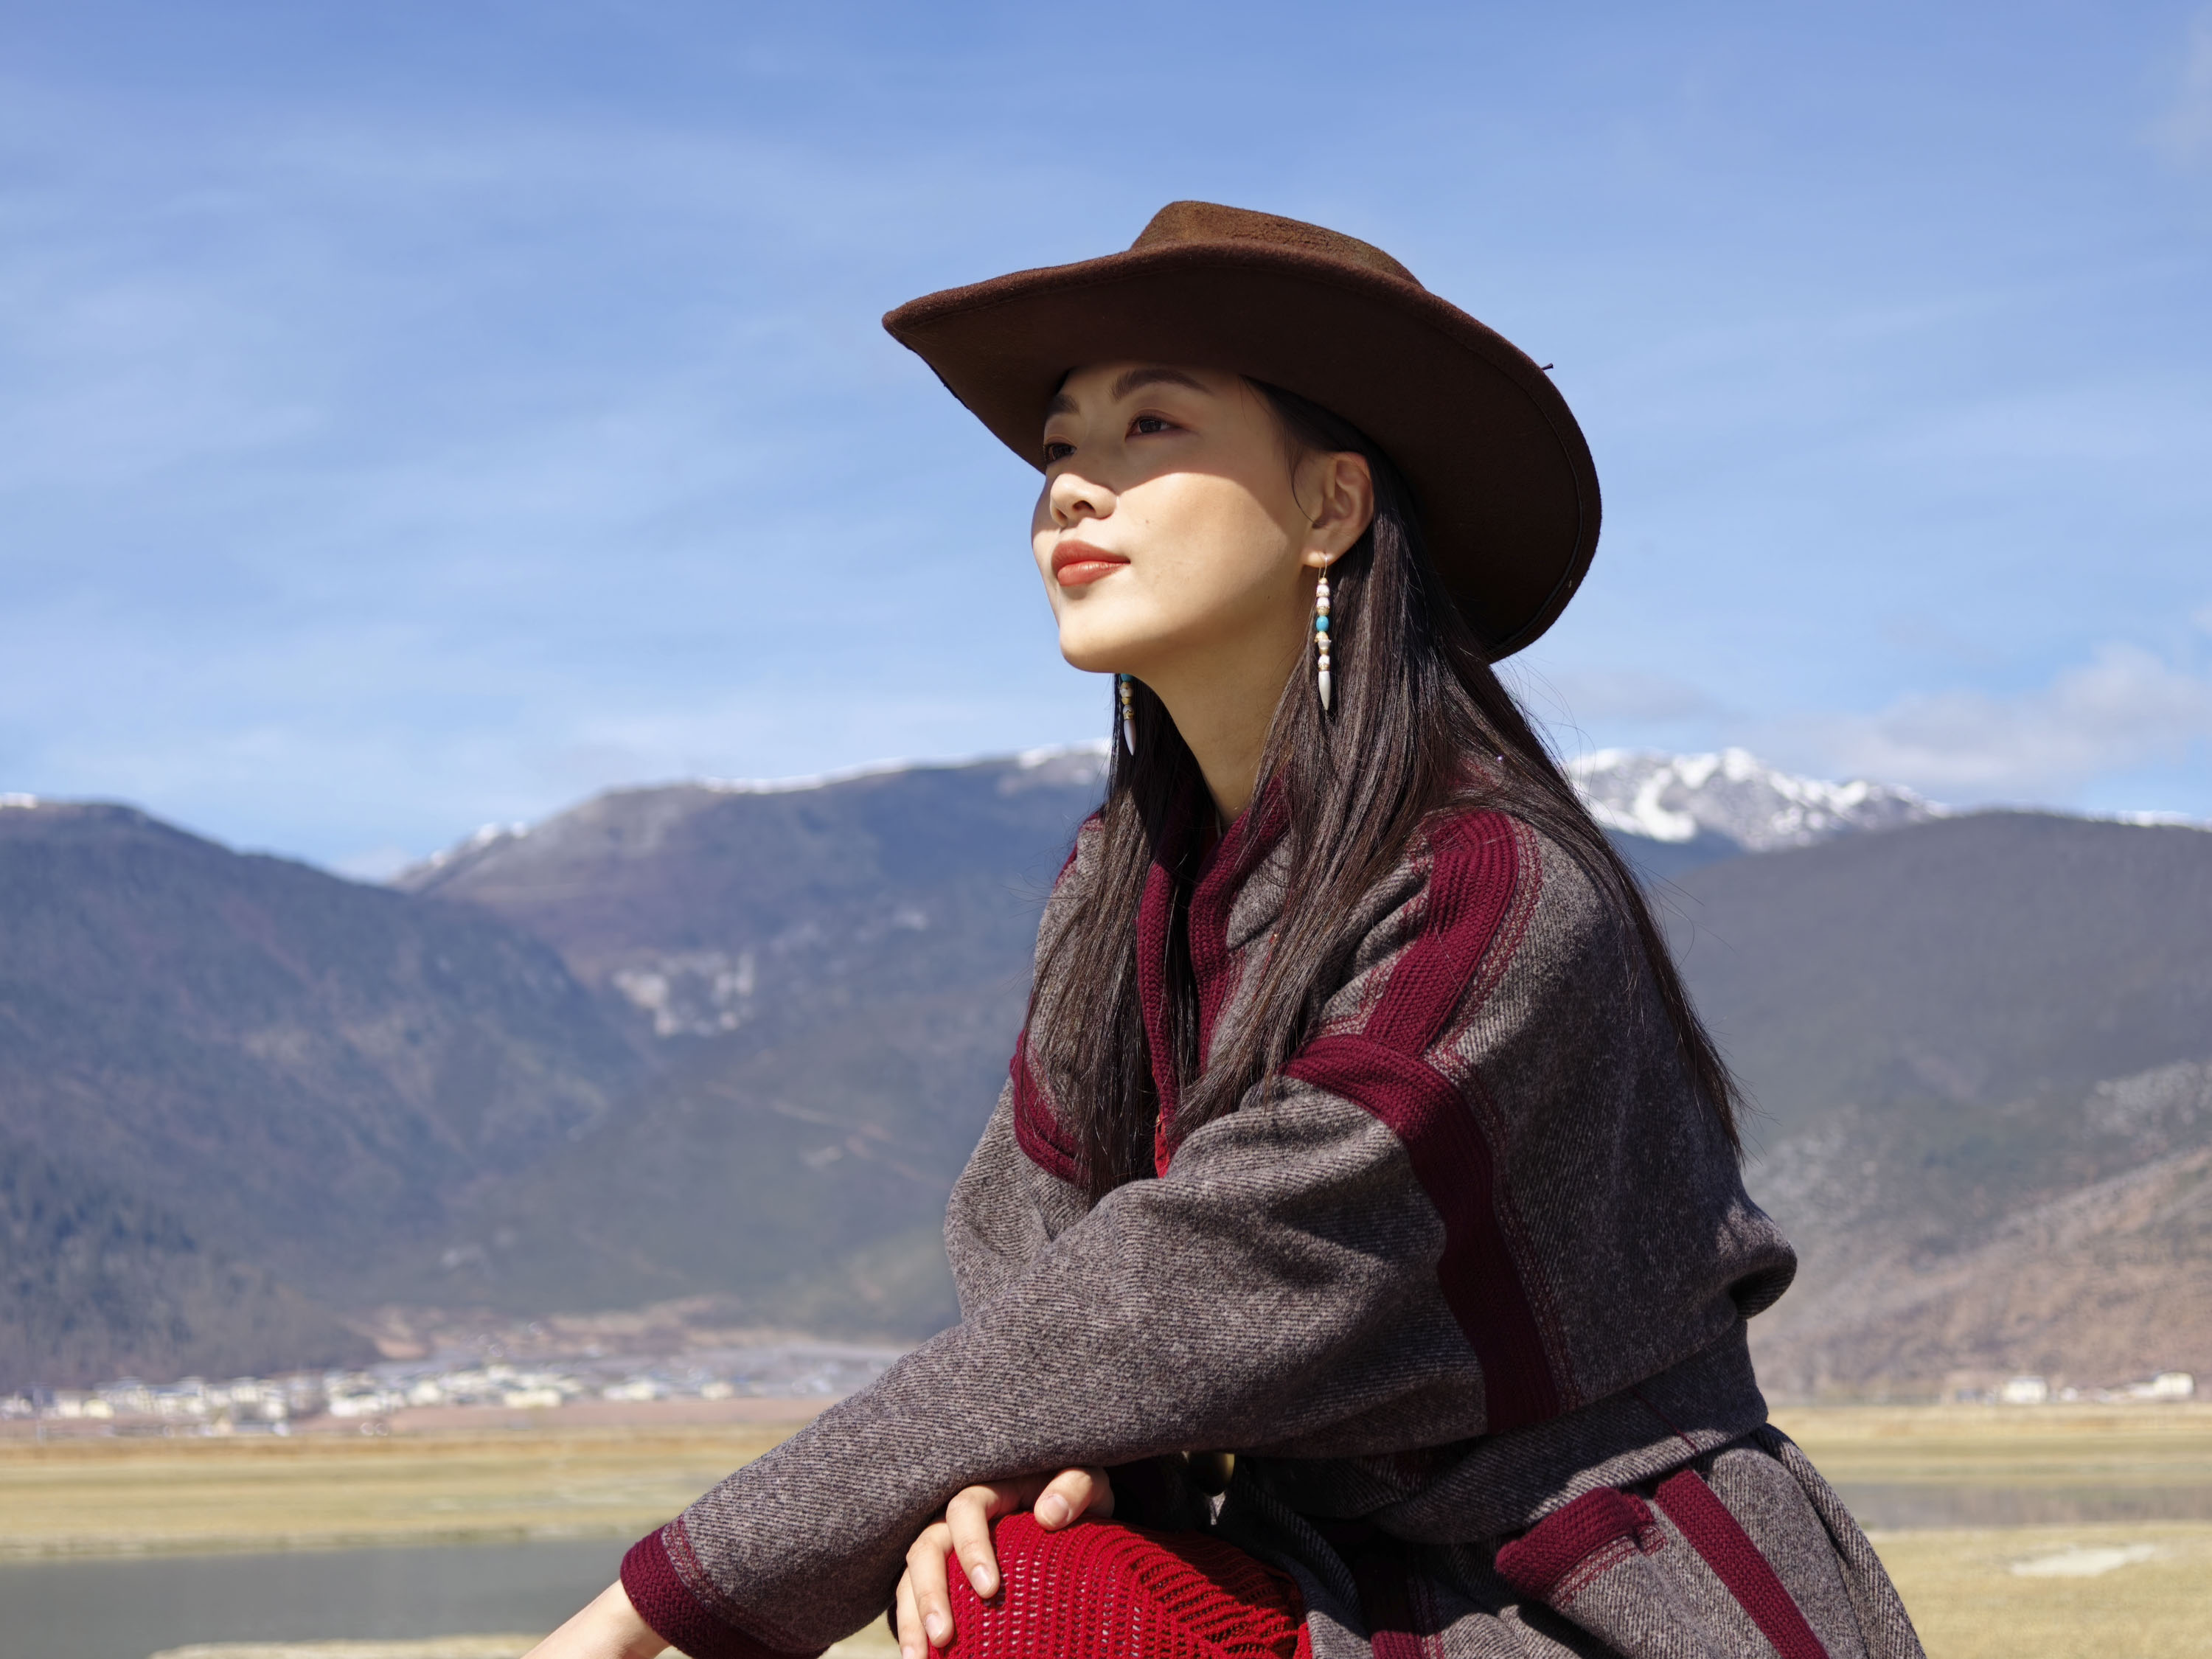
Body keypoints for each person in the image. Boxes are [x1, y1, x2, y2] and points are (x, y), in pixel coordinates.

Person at [526, 202, 1924, 1659]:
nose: (1072, 487)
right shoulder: (1113, 892)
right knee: (1016, 1579)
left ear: (1331, 506)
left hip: (1598, 1593)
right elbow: (1038, 1265)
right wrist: (1043, 1468)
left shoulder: (1490, 889)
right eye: (1063, 445)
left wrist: (643, 1613)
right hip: (1310, 1580)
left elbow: (1184, 1288)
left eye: (1150, 429)